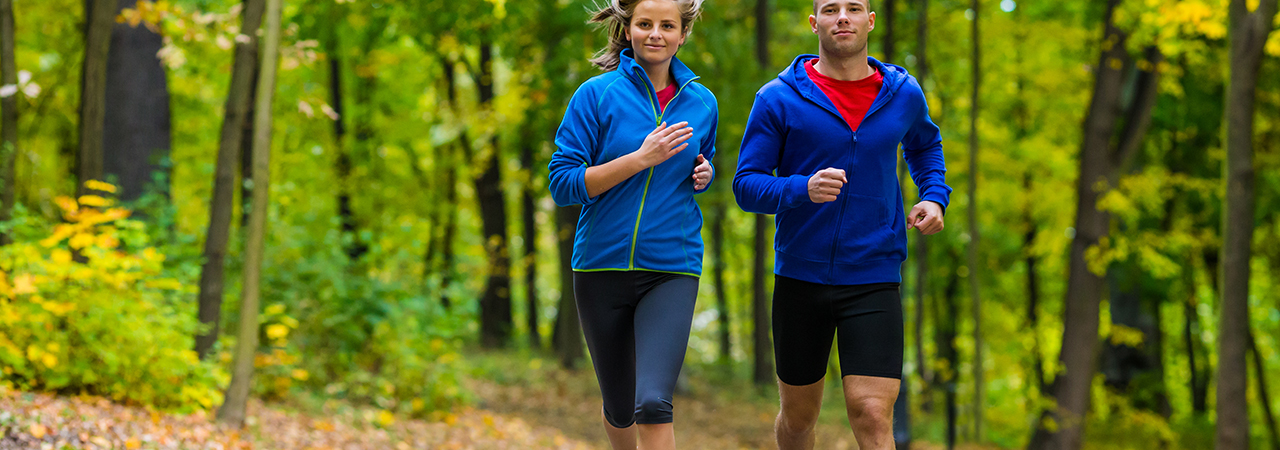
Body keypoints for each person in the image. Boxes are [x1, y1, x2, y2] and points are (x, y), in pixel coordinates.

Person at [731, 0, 951, 449]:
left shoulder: (902, 93)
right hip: (800, 277)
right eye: (831, 9)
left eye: (854, 8)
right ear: (815, 23)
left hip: (873, 273)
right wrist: (800, 189)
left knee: (871, 413)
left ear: (871, 21)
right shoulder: (778, 97)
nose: (843, 17)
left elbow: (925, 146)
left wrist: (933, 196)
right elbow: (746, 185)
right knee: (798, 418)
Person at [547, 0, 715, 449]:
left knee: (654, 402)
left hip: (672, 267)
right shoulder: (595, 95)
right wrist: (639, 159)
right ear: (628, 29)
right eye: (645, 24)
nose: (655, 33)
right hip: (600, 266)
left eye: (667, 25)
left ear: (683, 34)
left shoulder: (702, 103)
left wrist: (705, 173)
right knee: (620, 408)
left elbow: (702, 159)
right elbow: (563, 184)